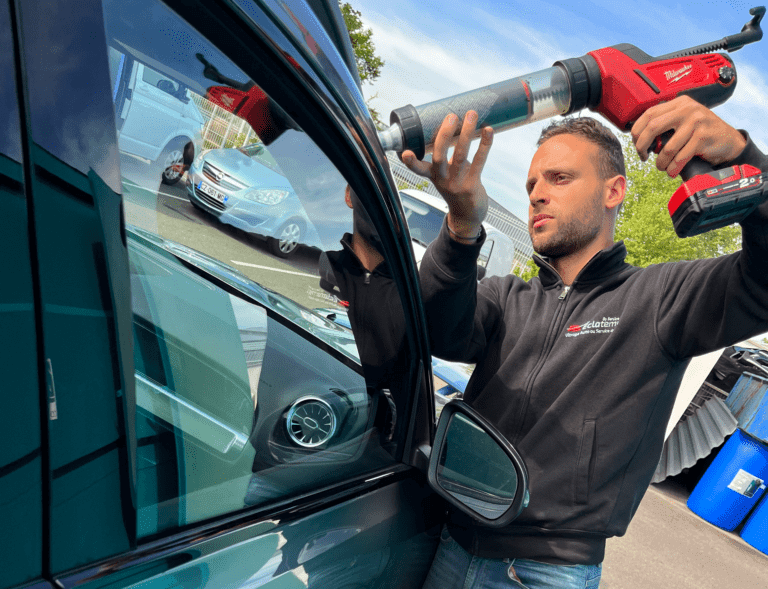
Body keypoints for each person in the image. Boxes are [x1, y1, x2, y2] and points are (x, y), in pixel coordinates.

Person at [403, 96, 768, 589]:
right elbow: (436, 329)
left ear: (614, 190)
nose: (536, 195)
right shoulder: (504, 296)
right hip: (452, 543)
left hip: (545, 572)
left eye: (559, 178)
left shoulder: (661, 299)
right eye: (531, 183)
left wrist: (743, 159)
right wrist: (462, 227)